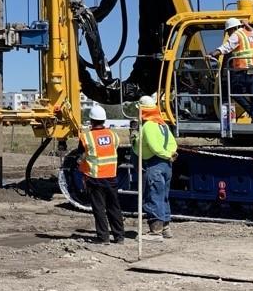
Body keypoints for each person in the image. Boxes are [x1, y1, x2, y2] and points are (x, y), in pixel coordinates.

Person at [75, 104, 125, 244]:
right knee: (114, 207)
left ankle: (103, 238)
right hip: (111, 177)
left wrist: (81, 165)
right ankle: (119, 236)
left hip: (95, 178)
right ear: (104, 120)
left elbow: (80, 157)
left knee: (99, 208)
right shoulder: (113, 135)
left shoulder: (86, 137)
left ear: (91, 120)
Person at [131, 94, 178, 238]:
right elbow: (173, 144)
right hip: (166, 165)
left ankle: (155, 231)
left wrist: (135, 139)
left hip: (155, 164)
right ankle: (165, 228)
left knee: (154, 196)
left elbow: (154, 147)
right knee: (163, 196)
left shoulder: (149, 126)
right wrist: (170, 154)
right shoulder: (162, 125)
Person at [208, 17, 253, 123]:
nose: (228, 34)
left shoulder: (236, 35)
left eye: (228, 31)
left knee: (235, 92)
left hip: (245, 70)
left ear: (232, 28)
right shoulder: (251, 34)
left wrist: (212, 54)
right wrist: (246, 25)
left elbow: (226, 47)